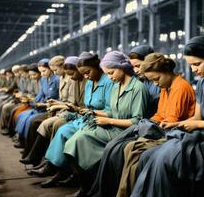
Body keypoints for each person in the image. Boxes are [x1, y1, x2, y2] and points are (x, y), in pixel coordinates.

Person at [130, 36, 204, 197]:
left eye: (197, 64)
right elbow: (197, 117)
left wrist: (197, 125)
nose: (193, 69)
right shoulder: (202, 83)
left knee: (167, 157)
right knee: (150, 155)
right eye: (191, 65)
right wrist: (177, 124)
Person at [89, 53, 196, 197]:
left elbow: (171, 121)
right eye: (153, 81)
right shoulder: (166, 87)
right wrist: (149, 121)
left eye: (157, 79)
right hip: (163, 128)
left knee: (130, 148)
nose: (156, 84)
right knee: (115, 146)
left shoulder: (180, 87)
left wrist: (149, 124)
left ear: (166, 71)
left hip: (174, 133)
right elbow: (160, 114)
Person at [64, 51, 150, 197]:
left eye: (111, 73)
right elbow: (113, 112)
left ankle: (91, 187)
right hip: (114, 127)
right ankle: (89, 184)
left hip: (128, 132)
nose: (110, 77)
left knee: (79, 140)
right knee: (75, 140)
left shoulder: (138, 88)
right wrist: (95, 113)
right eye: (108, 74)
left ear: (121, 67)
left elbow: (137, 121)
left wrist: (108, 121)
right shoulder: (117, 86)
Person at [30, 52, 113, 188]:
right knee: (63, 130)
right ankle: (56, 168)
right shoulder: (89, 82)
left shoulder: (108, 82)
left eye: (87, 72)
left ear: (96, 67)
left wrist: (88, 112)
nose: (86, 77)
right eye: (84, 74)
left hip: (99, 120)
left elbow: (110, 110)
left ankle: (76, 179)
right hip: (87, 117)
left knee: (72, 137)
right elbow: (86, 105)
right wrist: (78, 110)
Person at [13, 58, 59, 148]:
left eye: (44, 71)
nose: (42, 74)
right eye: (40, 72)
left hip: (51, 108)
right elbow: (40, 95)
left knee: (31, 120)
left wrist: (44, 104)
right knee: (23, 116)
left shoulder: (57, 80)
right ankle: (23, 141)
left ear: (50, 68)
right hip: (42, 106)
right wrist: (32, 102)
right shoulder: (43, 80)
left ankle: (29, 145)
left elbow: (59, 98)